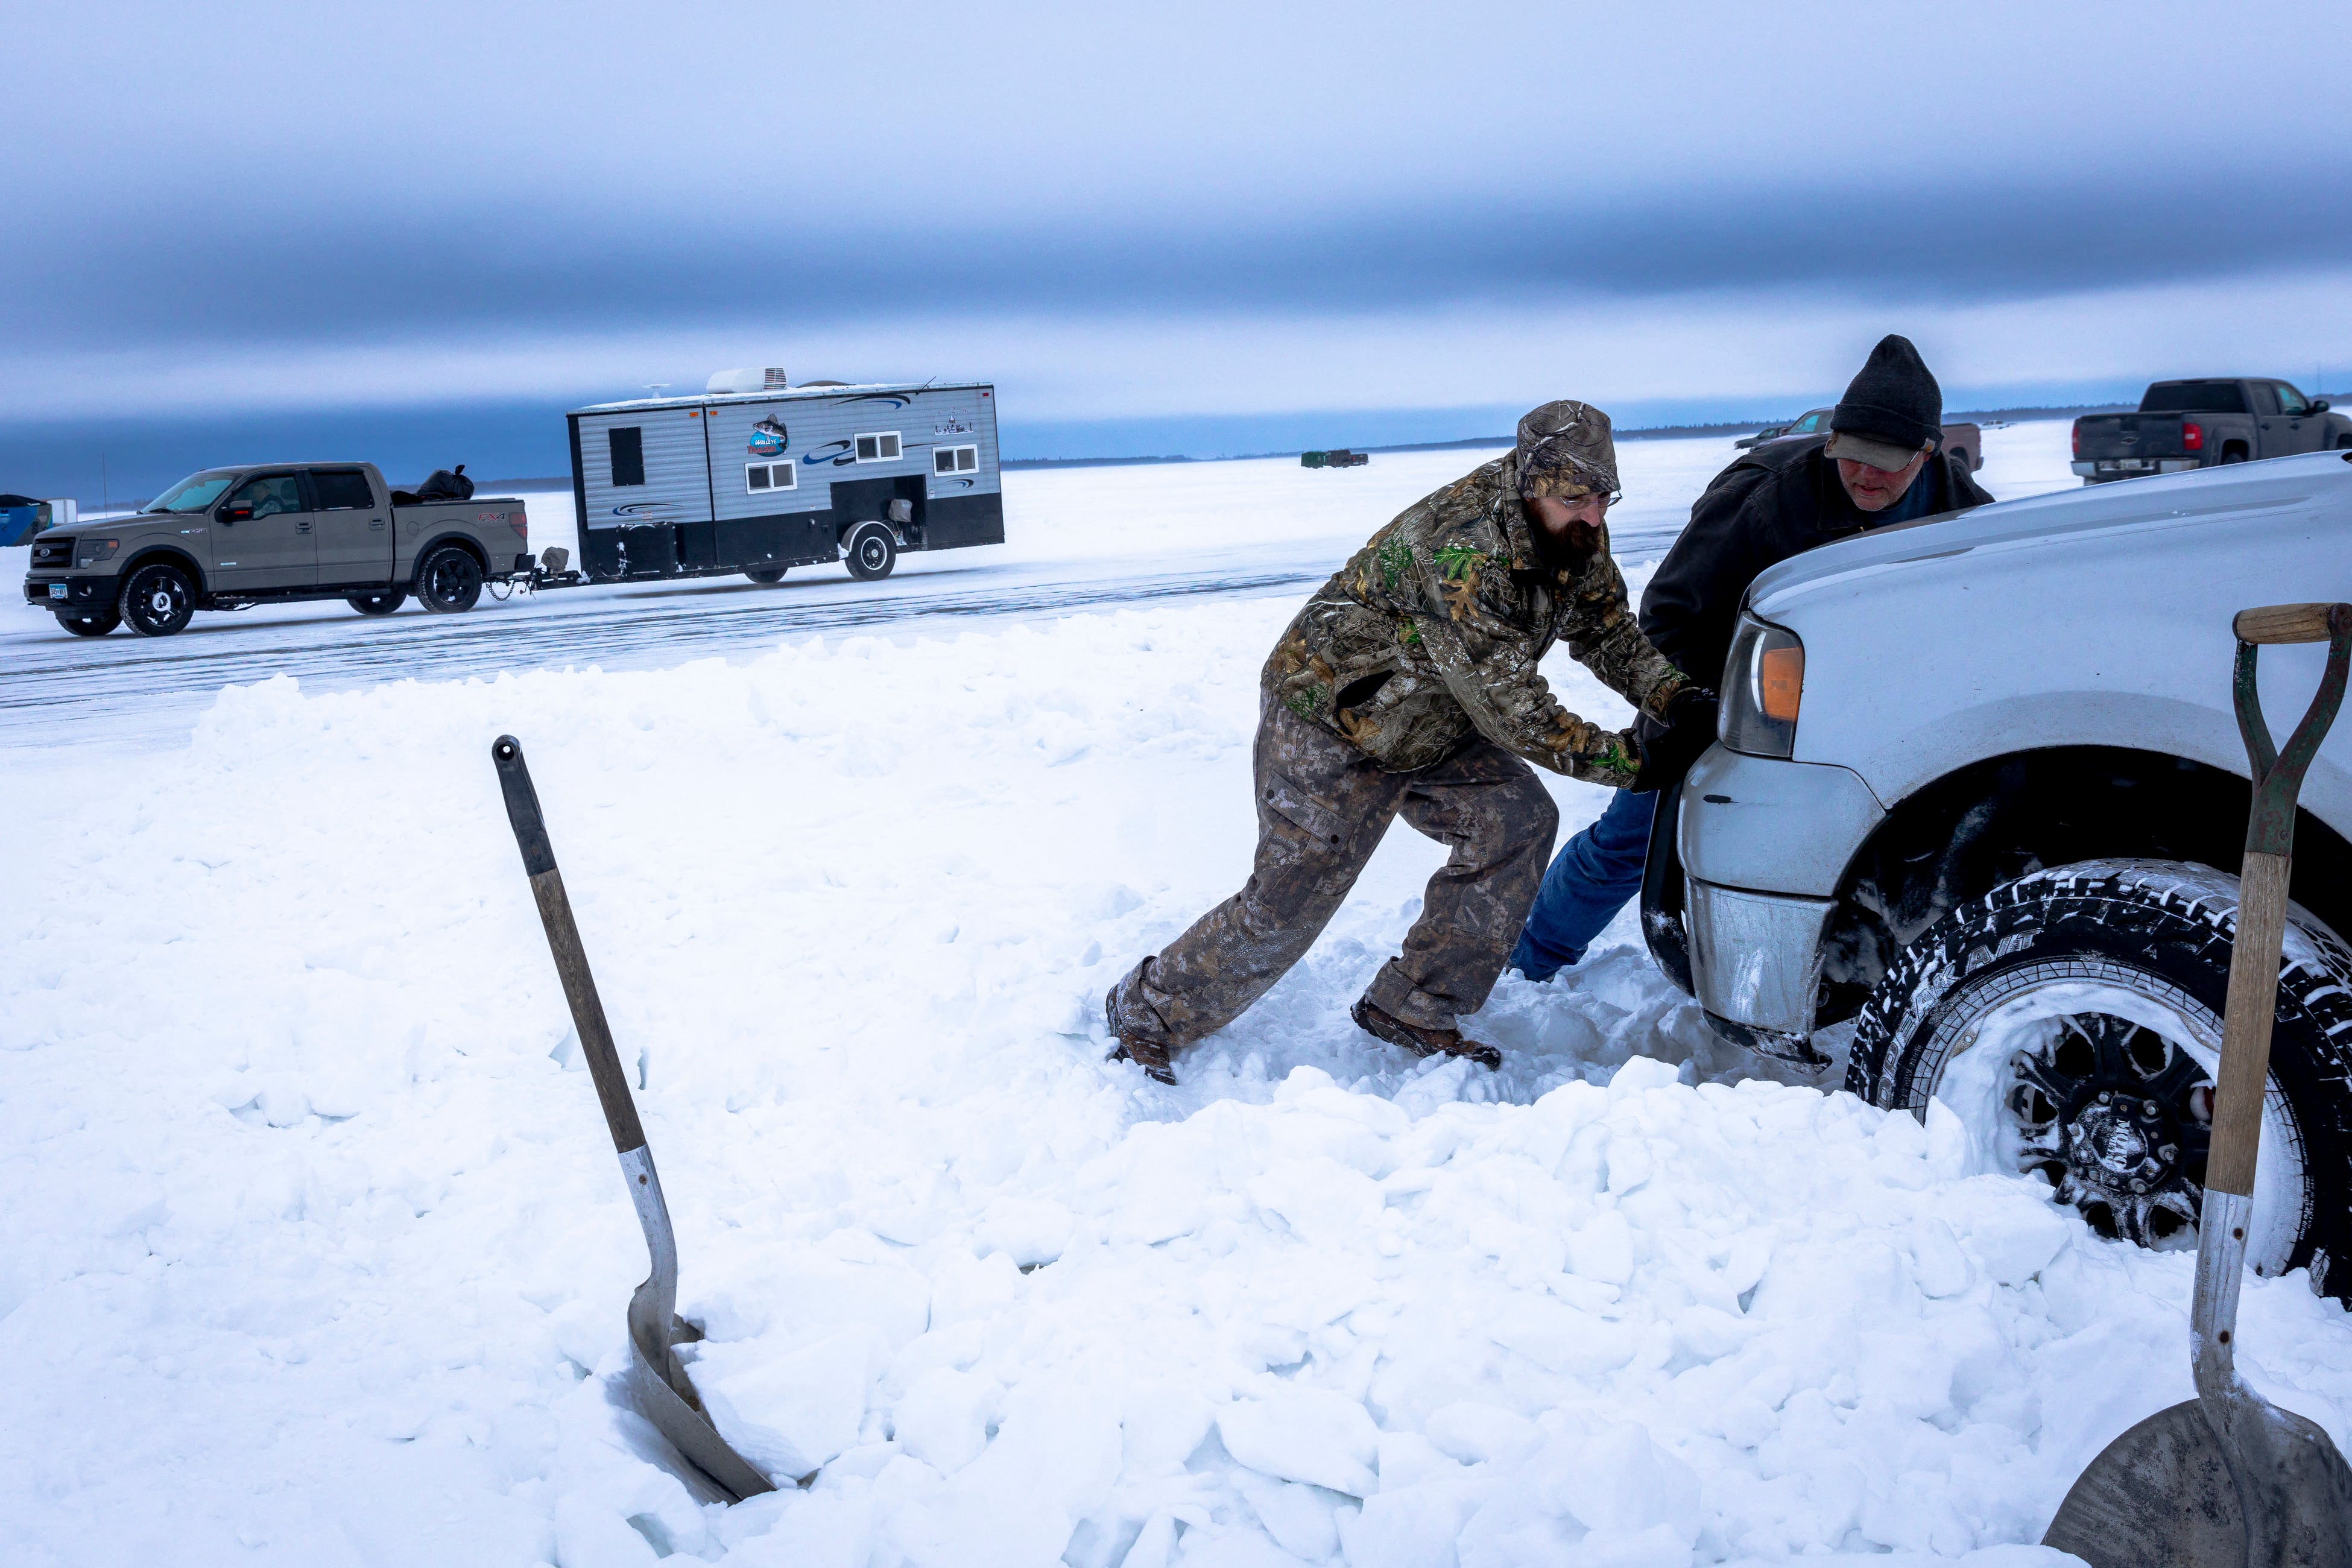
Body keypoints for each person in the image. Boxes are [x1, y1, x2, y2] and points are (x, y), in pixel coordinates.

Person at [1103, 401, 1719, 1083]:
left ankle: (1418, 1000)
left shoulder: (1574, 530)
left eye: (1604, 496)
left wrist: (1673, 695)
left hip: (1433, 715)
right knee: (1288, 902)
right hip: (1331, 719)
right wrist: (1633, 762)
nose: (1594, 515)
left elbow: (1605, 630)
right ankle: (1147, 1009)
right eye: (1576, 498)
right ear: (1530, 482)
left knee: (1516, 820)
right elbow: (1515, 710)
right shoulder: (1466, 550)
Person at [1508, 335, 1996, 982]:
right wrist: (1702, 711)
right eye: (1851, 455)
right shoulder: (1768, 498)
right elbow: (1668, 616)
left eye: (1885, 460)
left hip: (1862, 717)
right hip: (1720, 694)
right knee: (1632, 839)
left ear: (1927, 453)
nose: (1864, 475)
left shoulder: (1962, 516)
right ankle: (1527, 963)